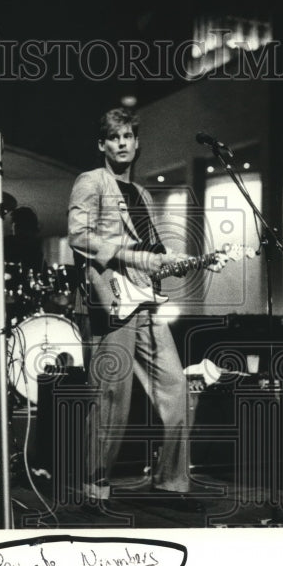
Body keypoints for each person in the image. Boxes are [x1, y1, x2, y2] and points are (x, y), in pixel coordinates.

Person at [67, 107, 221, 511]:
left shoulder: (143, 195)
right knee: (112, 399)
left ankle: (171, 482)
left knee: (178, 388)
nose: (122, 143)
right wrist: (136, 258)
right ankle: (92, 487)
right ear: (102, 144)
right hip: (111, 302)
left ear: (136, 144)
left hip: (146, 304)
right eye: (114, 137)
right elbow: (78, 236)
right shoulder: (91, 182)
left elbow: (153, 253)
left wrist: (194, 260)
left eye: (128, 137)